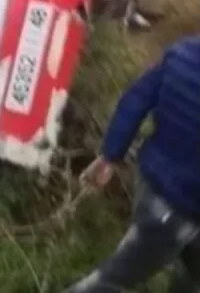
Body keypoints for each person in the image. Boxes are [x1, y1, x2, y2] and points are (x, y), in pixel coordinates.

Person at [65, 37, 200, 293]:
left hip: (153, 187)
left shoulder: (182, 55)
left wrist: (109, 156)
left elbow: (135, 100)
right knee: (111, 281)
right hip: (177, 208)